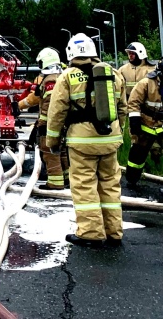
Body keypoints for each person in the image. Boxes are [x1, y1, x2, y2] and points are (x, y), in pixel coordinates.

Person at [46, 33, 127, 247]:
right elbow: (122, 109)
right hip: (110, 139)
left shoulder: (67, 76)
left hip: (82, 143)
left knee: (84, 185)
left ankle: (91, 234)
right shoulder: (114, 74)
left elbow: (56, 113)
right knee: (110, 185)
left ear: (71, 53)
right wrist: (117, 134)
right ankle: (114, 232)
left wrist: (52, 142)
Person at [22, 47, 68, 190]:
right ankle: (67, 179)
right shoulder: (61, 75)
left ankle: (55, 182)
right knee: (62, 152)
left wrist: (43, 124)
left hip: (50, 123)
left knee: (49, 151)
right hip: (63, 122)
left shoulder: (50, 80)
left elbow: (49, 105)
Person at [124, 60, 163, 188]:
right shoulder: (146, 83)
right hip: (146, 125)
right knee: (137, 156)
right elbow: (133, 102)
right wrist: (134, 122)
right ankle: (132, 180)